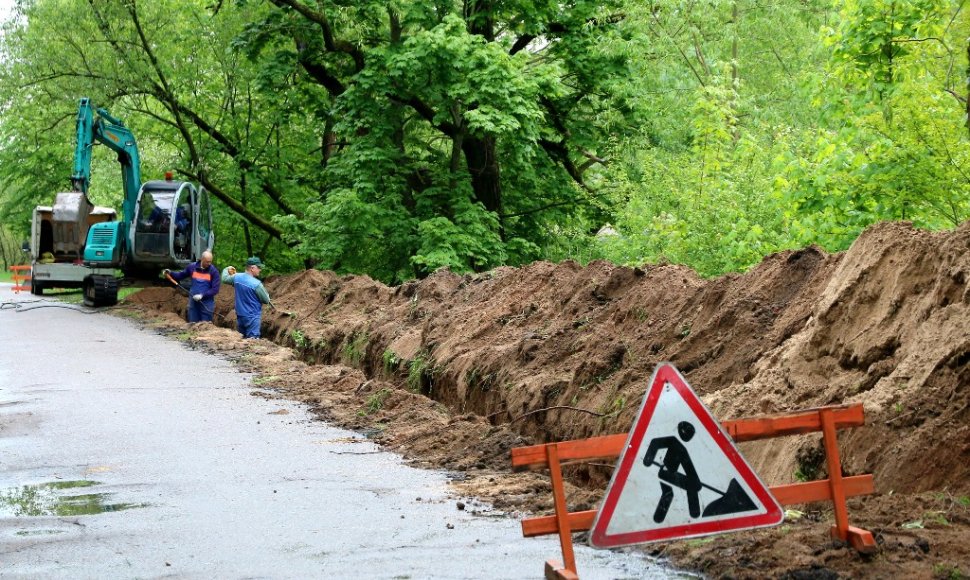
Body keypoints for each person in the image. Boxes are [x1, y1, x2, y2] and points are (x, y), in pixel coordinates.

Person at [221, 256, 273, 339]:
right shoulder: (257, 284)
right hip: (252, 318)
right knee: (252, 342)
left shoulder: (236, 277)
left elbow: (224, 279)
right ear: (252, 268)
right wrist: (267, 296)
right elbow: (266, 300)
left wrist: (228, 268)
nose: (260, 269)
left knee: (242, 341)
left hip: (240, 316)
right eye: (258, 267)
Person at [164, 250, 220, 323]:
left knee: (205, 325)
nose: (209, 264)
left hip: (206, 303)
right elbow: (180, 275)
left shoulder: (214, 271)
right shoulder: (192, 267)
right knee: (193, 324)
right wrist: (170, 273)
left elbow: (215, 289)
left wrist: (202, 295)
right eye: (207, 262)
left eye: (210, 261)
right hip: (193, 302)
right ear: (202, 259)